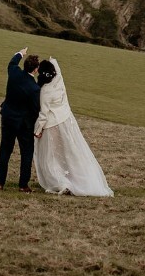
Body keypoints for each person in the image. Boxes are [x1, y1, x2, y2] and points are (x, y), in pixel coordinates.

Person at [34, 57, 113, 197]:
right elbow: (57, 67)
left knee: (52, 157)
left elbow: (44, 114)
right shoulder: (59, 80)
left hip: (52, 125)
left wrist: (37, 130)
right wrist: (53, 60)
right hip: (66, 120)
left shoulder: (45, 91)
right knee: (69, 152)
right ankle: (74, 177)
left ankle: (62, 182)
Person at [0, 47, 40, 193]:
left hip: (8, 118)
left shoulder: (14, 73)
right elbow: (35, 110)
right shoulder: (34, 88)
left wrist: (21, 53)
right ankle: (23, 185)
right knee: (26, 153)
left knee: (5, 151)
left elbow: (12, 62)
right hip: (24, 124)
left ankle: (0, 183)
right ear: (35, 70)